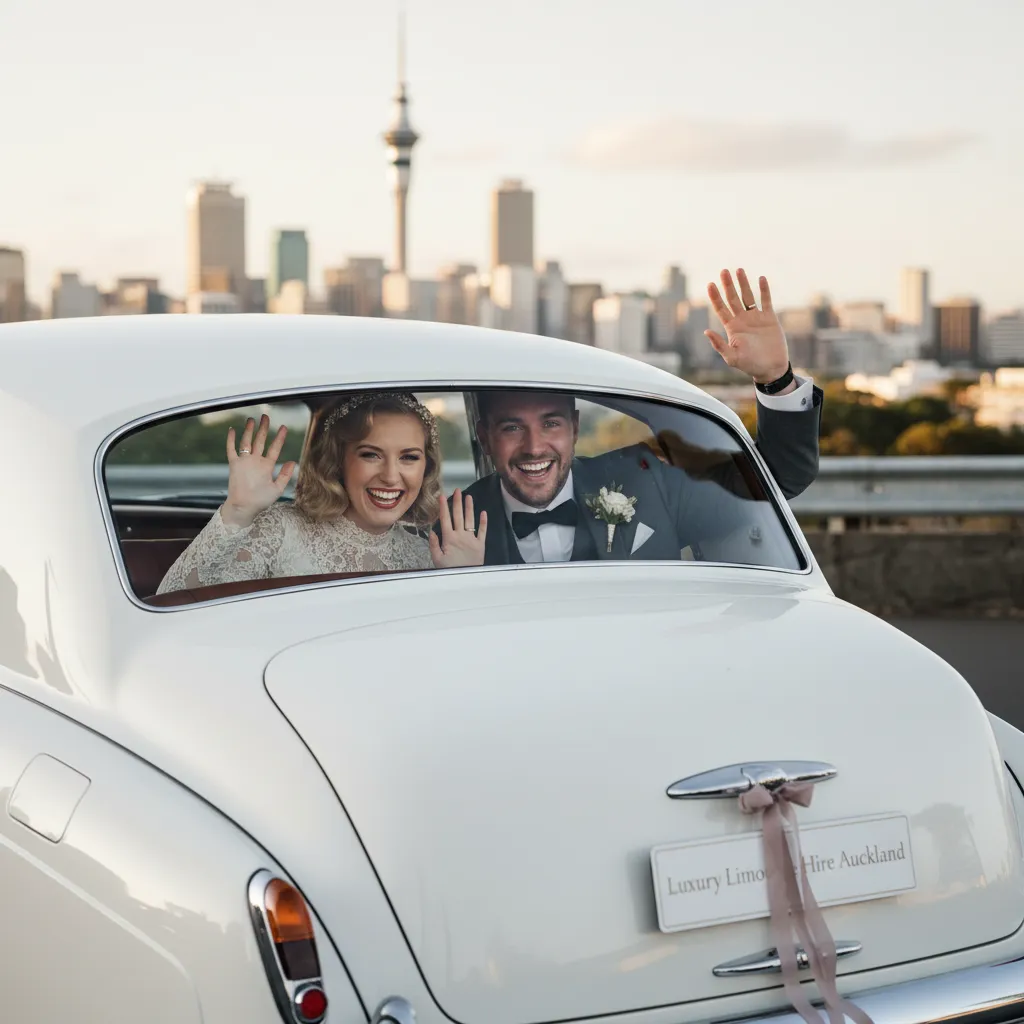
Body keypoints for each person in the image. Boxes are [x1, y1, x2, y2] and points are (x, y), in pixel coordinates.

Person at [458, 269, 822, 566]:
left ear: (576, 428)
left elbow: (777, 481)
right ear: (484, 436)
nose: (534, 447)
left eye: (551, 423)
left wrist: (775, 379)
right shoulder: (450, 525)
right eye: (511, 427)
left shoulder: (647, 484)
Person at [156, 391, 486, 594]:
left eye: (409, 457)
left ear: (426, 467)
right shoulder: (281, 530)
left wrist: (465, 583)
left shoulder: (428, 556)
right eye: (370, 454)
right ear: (338, 461)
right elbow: (173, 599)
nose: (390, 476)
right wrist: (238, 511)